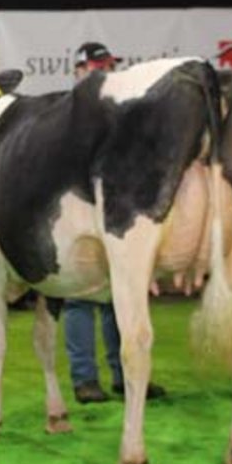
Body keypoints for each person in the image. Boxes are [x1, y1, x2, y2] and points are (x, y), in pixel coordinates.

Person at [63, 41, 166, 404]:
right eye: (96, 64)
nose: (104, 70)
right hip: (77, 211)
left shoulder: (121, 111)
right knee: (80, 299)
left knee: (120, 296)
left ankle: (126, 375)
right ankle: (85, 379)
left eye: (107, 64)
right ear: (80, 69)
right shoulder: (69, 112)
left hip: (119, 211)